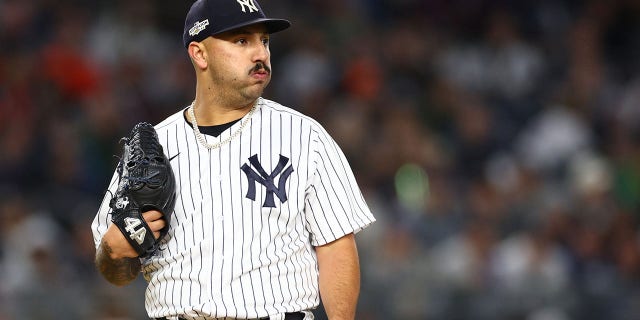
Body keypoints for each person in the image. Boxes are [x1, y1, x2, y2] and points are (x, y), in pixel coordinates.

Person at [91, 0, 375, 319]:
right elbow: (113, 269)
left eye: (263, 41)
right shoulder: (154, 144)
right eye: (242, 41)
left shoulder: (305, 136)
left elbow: (336, 248)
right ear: (199, 53)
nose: (260, 53)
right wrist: (113, 252)